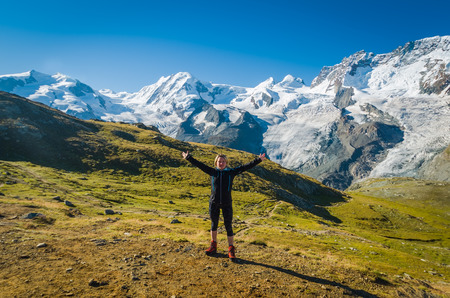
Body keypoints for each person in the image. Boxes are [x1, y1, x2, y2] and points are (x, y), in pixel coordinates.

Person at [182, 150, 266, 259]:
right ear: (216, 163)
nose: (221, 163)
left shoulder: (231, 172)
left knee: (228, 226)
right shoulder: (213, 172)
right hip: (214, 203)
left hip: (227, 204)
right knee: (214, 224)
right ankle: (213, 246)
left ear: (226, 163)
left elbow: (245, 167)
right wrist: (189, 158)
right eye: (219, 161)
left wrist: (258, 160)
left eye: (223, 161)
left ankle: (231, 249)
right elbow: (200, 165)